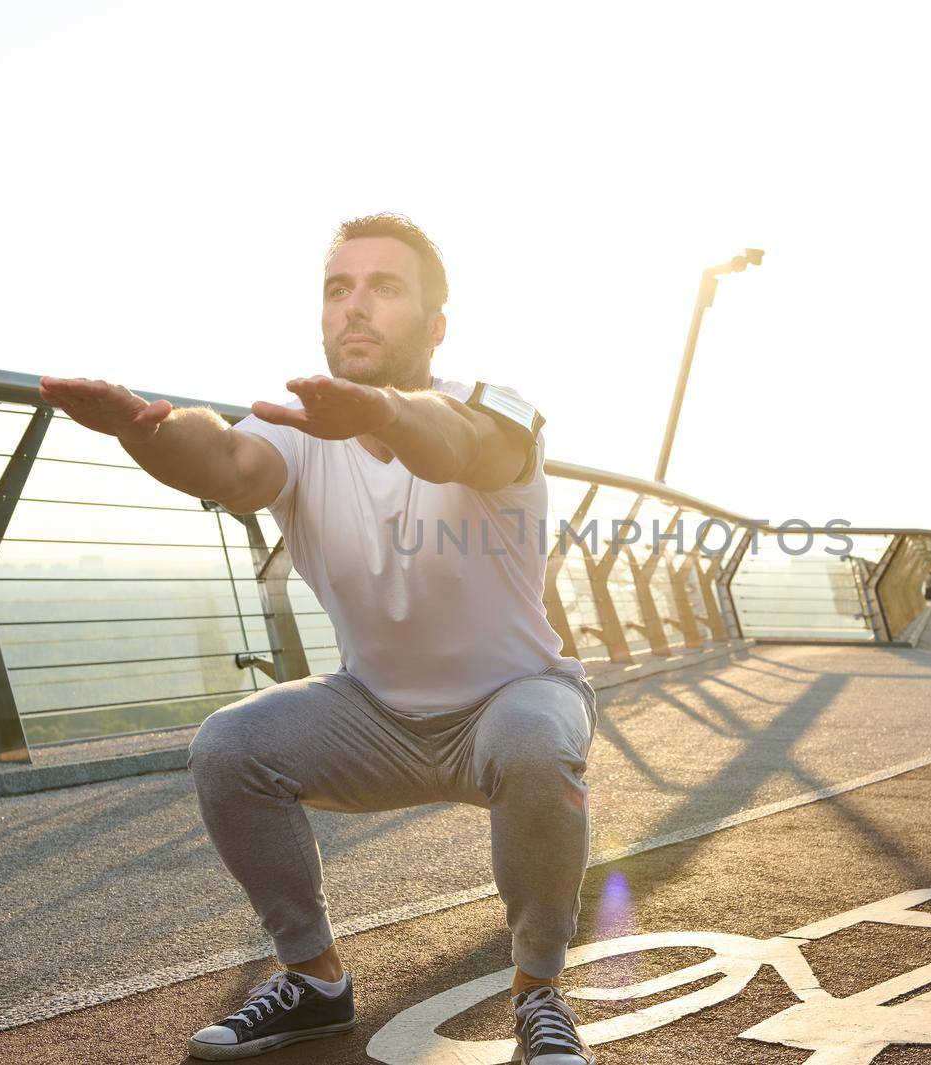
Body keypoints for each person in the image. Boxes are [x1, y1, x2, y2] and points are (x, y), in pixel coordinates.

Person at [39, 214, 599, 1064]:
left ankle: (538, 991)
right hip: (373, 712)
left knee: (533, 741)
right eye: (339, 289)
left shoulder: (497, 410)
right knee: (229, 745)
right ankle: (314, 979)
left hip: (512, 701)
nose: (355, 307)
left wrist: (382, 413)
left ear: (436, 324)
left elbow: (461, 448)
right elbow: (225, 463)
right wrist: (145, 431)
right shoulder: (297, 429)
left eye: (384, 287)